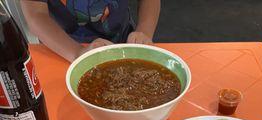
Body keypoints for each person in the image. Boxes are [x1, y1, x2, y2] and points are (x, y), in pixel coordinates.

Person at [20, 0, 161, 62]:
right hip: (63, 49)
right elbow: (35, 14)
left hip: (125, 41)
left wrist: (144, 31)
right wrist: (78, 52)